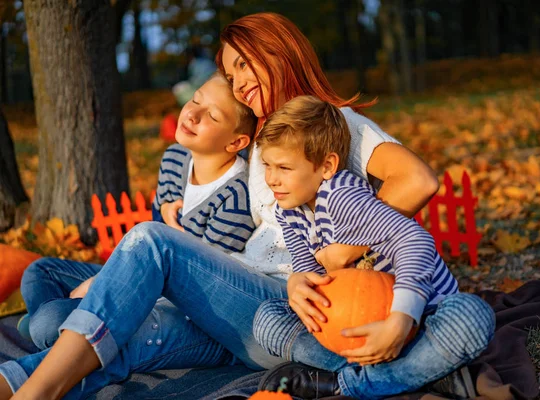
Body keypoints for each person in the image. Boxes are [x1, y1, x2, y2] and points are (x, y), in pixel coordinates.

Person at [2, 13, 442, 400]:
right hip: (234, 305)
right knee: (107, 340)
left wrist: (348, 251)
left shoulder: (331, 123)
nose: (239, 82)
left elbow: (417, 180)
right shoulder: (266, 139)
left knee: (151, 241)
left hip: (281, 309)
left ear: (280, 53)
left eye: (245, 65)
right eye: (231, 76)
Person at [0, 72, 257, 399]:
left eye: (212, 115)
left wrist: (102, 286)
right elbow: (148, 238)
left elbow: (199, 288)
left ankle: (55, 329)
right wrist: (106, 279)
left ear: (235, 143)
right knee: (42, 271)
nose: (192, 114)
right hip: (142, 274)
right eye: (195, 100)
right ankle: (60, 323)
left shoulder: (234, 199)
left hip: (179, 306)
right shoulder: (176, 158)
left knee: (48, 322)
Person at [251, 95, 495, 399]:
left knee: (471, 316)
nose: (272, 179)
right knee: (267, 319)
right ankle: (422, 375)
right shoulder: (288, 210)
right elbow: (311, 277)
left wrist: (400, 321)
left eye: (284, 167)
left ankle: (345, 386)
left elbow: (414, 240)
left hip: (420, 320)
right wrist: (297, 284)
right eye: (267, 165)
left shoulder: (342, 196)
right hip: (355, 331)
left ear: (326, 166)